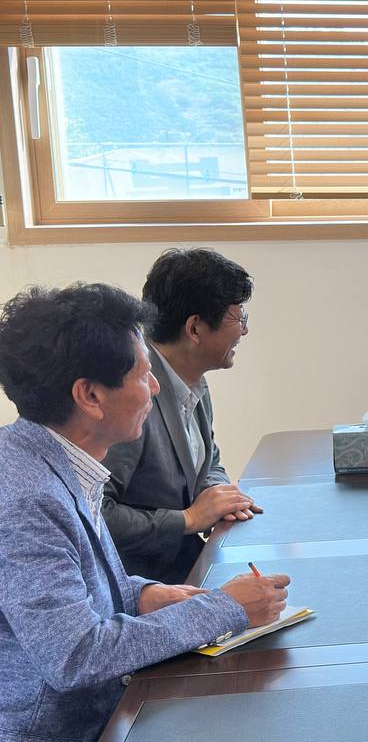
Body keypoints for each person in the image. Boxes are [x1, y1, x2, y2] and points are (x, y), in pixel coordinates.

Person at [0, 283, 288, 742]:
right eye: (142, 373)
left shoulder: (48, 459)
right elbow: (75, 655)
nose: (155, 388)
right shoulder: (25, 498)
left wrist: (143, 594)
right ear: (90, 395)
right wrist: (224, 608)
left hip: (105, 718)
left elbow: (79, 587)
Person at [103, 248, 260, 584]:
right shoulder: (132, 397)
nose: (244, 331)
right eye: (239, 318)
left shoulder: (193, 379)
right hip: (143, 586)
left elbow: (209, 459)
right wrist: (189, 519)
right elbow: (95, 514)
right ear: (195, 328)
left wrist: (220, 495)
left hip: (188, 567)